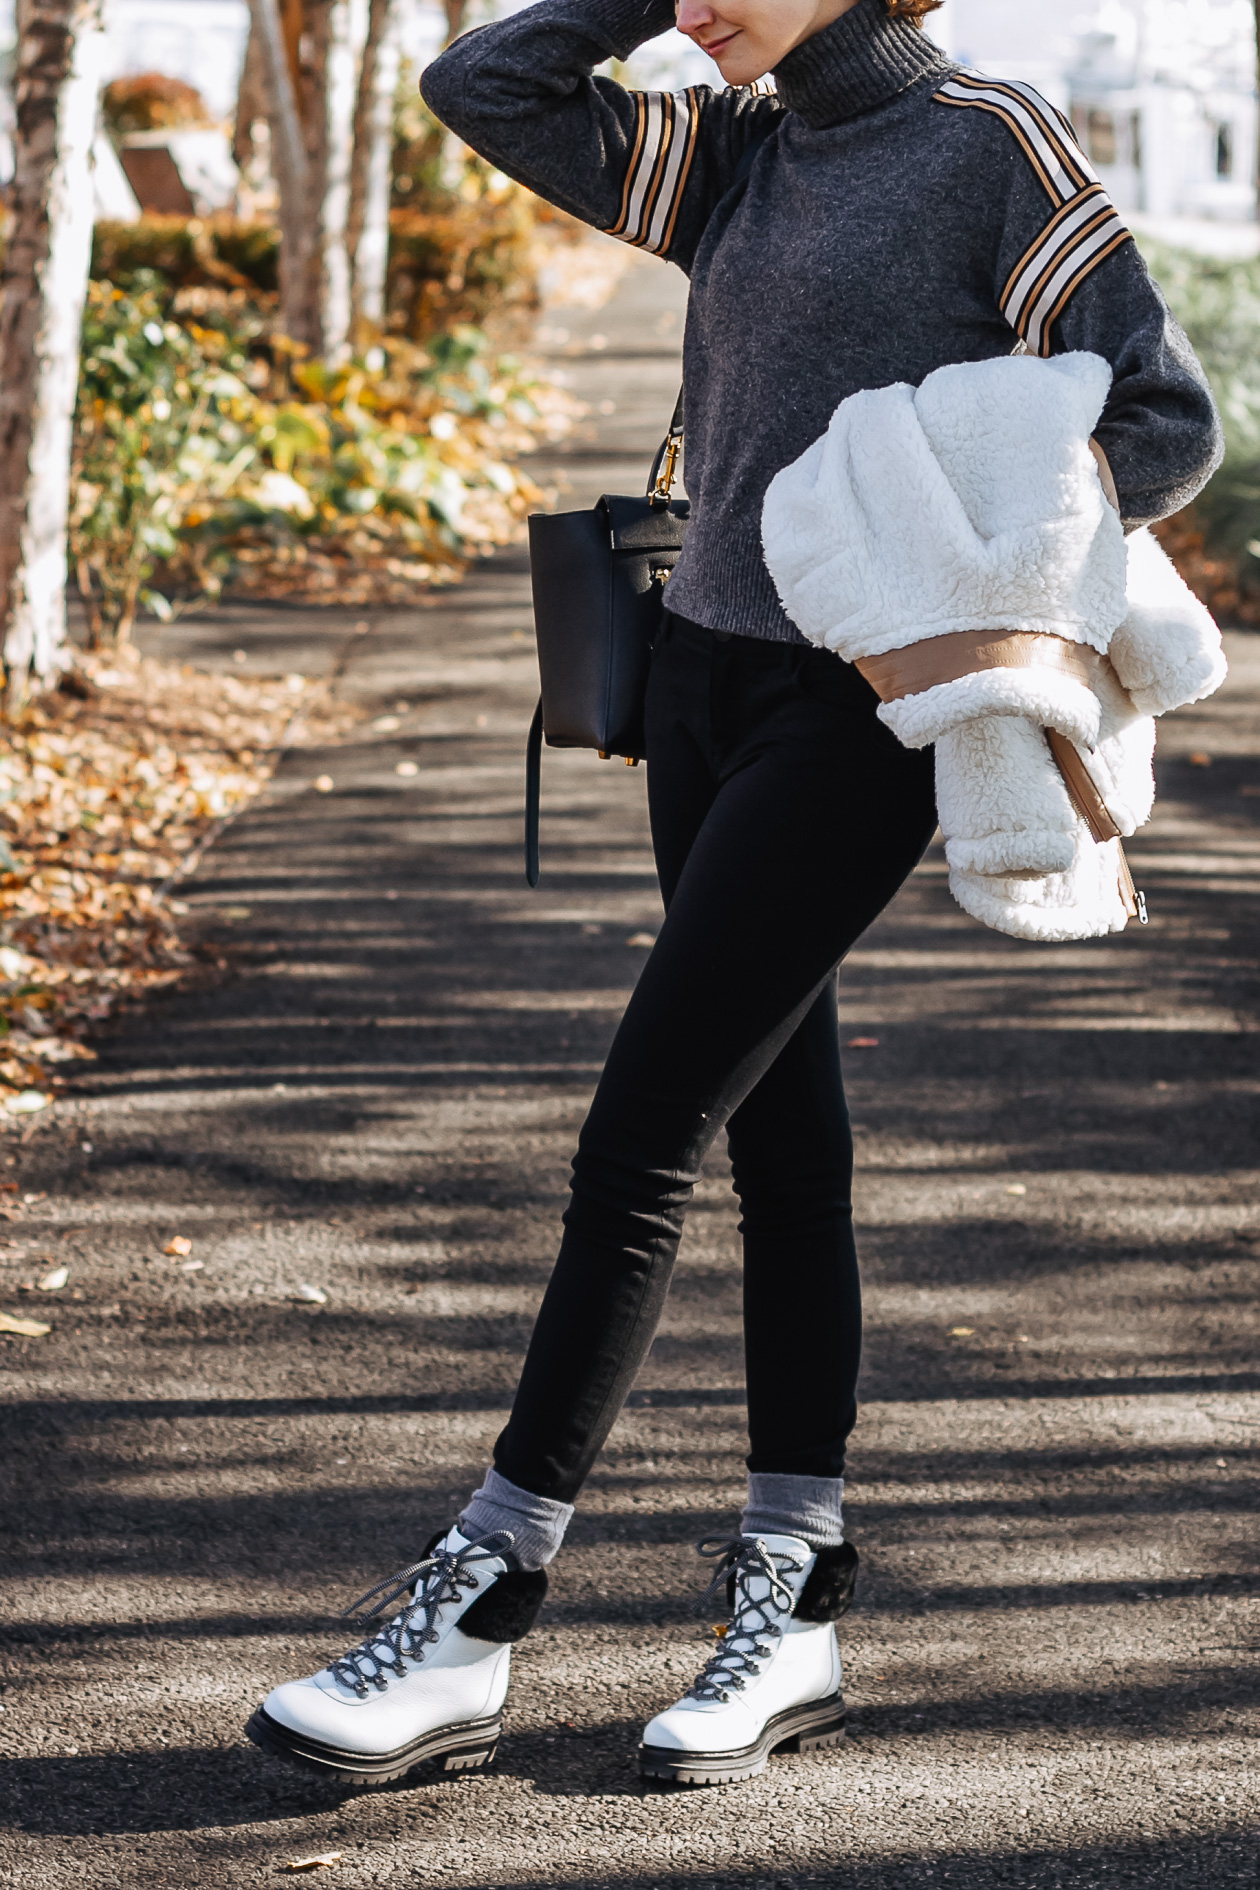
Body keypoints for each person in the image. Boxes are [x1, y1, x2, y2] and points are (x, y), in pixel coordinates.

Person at [246, 0, 1222, 1790]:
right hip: (691, 676)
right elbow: (487, 82)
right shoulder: (742, 140)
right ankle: (798, 1596)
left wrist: (941, 555)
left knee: (640, 1139)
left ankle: (481, 1602)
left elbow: (1159, 422)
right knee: (786, 1142)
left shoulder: (990, 145)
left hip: (846, 715)